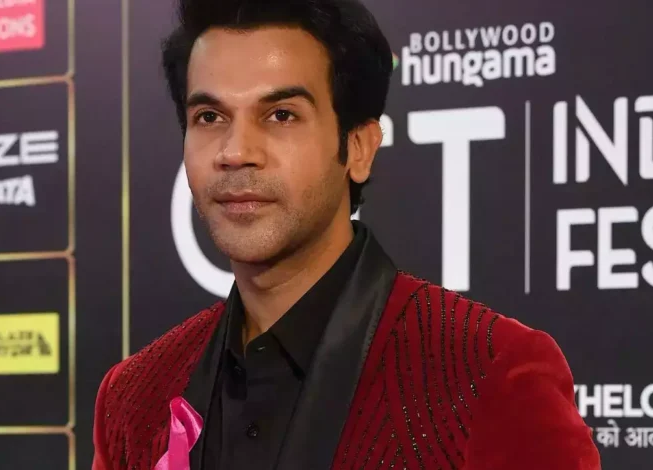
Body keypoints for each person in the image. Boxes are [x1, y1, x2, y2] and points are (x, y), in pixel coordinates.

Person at [92, 0, 601, 468]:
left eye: (281, 115)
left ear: (359, 148)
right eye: (209, 116)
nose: (235, 151)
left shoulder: (491, 373)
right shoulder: (133, 397)